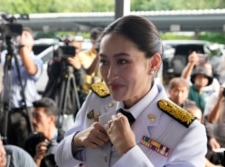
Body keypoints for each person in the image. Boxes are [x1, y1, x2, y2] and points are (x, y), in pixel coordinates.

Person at [55, 15, 207, 167]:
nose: (109, 74)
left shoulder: (186, 131)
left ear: (153, 64)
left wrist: (129, 150)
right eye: (104, 61)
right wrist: (77, 141)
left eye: (122, 61)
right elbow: (60, 158)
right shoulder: (98, 98)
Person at [0, 27, 43, 147]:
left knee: (25, 144)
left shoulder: (36, 59)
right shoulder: (5, 55)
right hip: (6, 109)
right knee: (6, 144)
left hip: (25, 110)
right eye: (19, 35)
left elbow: (31, 70)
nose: (21, 38)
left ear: (32, 41)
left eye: (26, 36)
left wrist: (22, 47)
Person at [43, 37, 85, 131]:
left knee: (68, 133)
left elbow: (81, 82)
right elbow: (52, 76)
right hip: (54, 103)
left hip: (68, 108)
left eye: (75, 48)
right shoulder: (56, 61)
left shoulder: (78, 63)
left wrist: (78, 68)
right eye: (70, 47)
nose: (70, 51)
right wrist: (57, 63)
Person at [24, 97, 65, 167]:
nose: (33, 121)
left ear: (51, 119)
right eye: (33, 116)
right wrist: (37, 158)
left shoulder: (66, 140)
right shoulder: (31, 142)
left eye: (38, 117)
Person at [78, 27, 103, 96]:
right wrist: (98, 54)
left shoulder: (108, 57)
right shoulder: (82, 55)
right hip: (86, 94)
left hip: (102, 95)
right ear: (92, 40)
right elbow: (89, 72)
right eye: (99, 41)